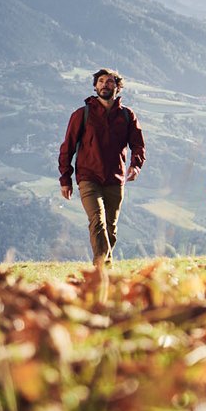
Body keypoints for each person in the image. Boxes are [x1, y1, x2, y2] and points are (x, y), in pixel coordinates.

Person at [58, 68, 146, 266]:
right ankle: (102, 270)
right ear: (95, 86)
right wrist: (65, 179)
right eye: (101, 81)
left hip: (115, 178)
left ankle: (103, 268)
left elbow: (138, 144)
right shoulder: (82, 114)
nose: (105, 84)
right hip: (88, 177)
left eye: (109, 81)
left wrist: (136, 165)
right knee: (97, 221)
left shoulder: (127, 115)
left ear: (117, 86)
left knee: (111, 228)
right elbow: (67, 148)